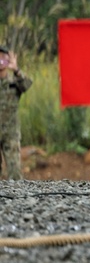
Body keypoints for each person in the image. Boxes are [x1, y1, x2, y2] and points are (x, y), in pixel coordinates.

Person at [0, 46, 31, 181]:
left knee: (14, 172)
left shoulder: (14, 82)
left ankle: (16, 199)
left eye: (3, 57)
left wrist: (16, 70)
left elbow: (27, 85)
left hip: (10, 133)